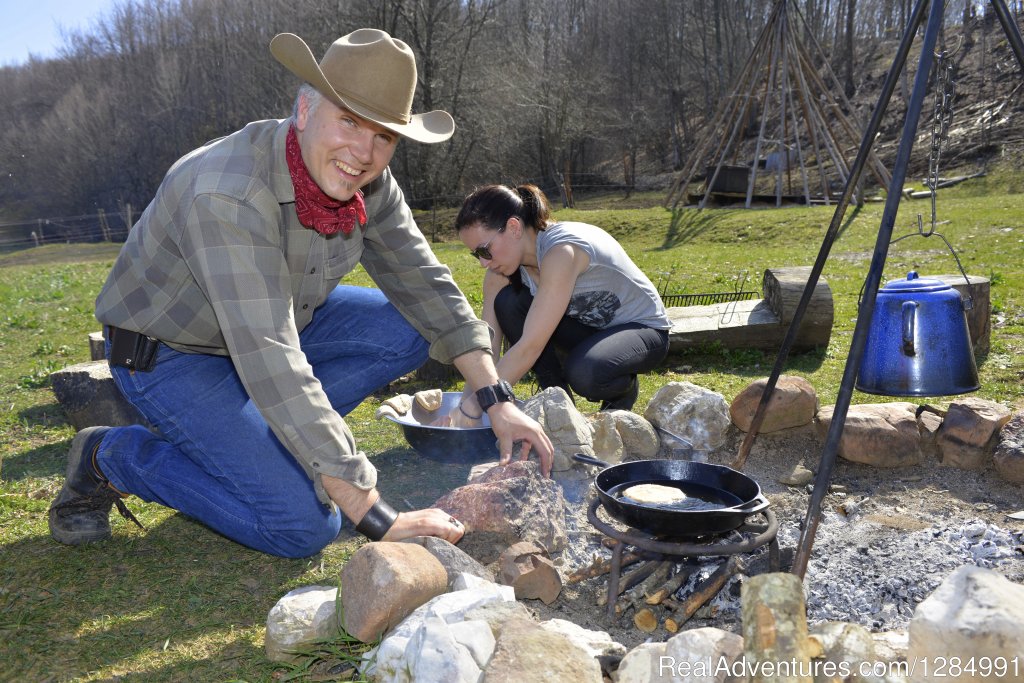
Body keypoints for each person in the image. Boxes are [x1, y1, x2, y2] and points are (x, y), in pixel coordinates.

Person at [47, 29, 553, 558]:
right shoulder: (227, 192)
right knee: (303, 527)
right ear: (305, 109)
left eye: (384, 136)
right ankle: (114, 455)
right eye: (349, 121)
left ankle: (264, 442)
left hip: (281, 322)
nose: (363, 152)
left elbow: (425, 283)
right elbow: (269, 354)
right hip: (172, 354)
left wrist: (498, 400)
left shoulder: (369, 181)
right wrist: (375, 514)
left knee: (411, 325)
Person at [452, 183, 670, 417]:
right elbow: (489, 347)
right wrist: (465, 403)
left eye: (485, 250)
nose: (483, 263)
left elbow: (530, 347)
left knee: (586, 373)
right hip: (590, 331)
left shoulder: (562, 251)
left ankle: (622, 390)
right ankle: (559, 406)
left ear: (513, 227)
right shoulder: (498, 274)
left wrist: (477, 405)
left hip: (643, 331)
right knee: (508, 302)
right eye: (476, 255)